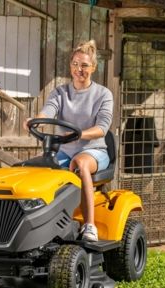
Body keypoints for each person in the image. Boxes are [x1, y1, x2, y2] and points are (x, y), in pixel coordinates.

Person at [24, 40, 113, 242]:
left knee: (79, 164)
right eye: (75, 64)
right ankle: (41, 225)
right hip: (64, 151)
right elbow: (49, 110)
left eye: (84, 65)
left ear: (93, 68)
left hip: (94, 151)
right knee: (38, 169)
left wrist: (79, 134)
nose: (78, 69)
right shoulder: (60, 92)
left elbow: (102, 128)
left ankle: (89, 226)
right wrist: (34, 121)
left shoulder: (103, 94)